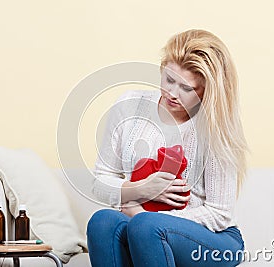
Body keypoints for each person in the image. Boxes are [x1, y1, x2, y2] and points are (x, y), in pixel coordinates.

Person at [87, 29, 248, 267]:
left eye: (187, 88)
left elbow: (219, 214)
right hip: (144, 227)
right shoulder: (129, 106)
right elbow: (101, 180)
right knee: (102, 221)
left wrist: (145, 217)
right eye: (169, 79)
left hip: (215, 239)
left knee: (146, 227)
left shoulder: (214, 126)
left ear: (207, 92)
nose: (172, 93)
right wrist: (139, 189)